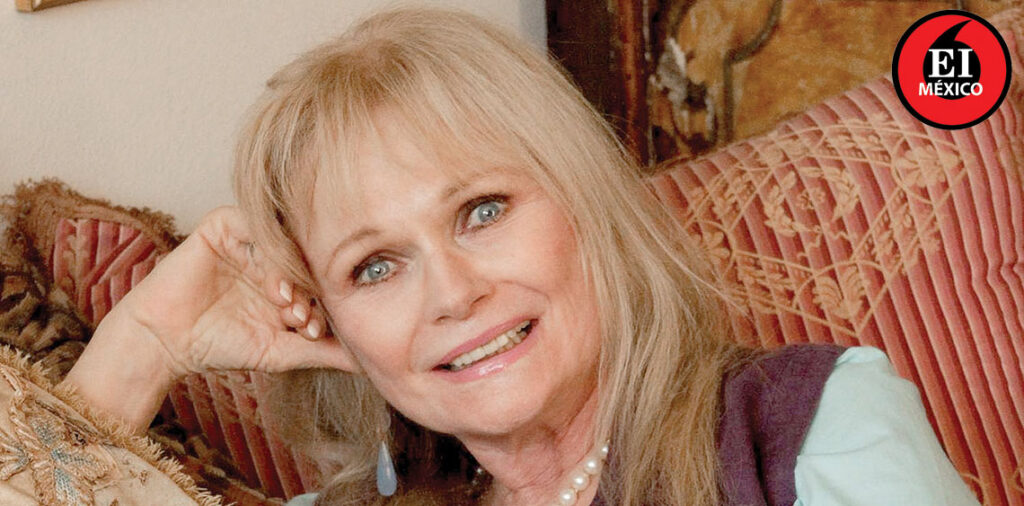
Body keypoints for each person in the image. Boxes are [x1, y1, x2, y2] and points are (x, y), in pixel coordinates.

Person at [0, 6, 980, 506]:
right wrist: (149, 341)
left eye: (481, 210)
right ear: (330, 322)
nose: (453, 293)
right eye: (374, 266)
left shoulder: (808, 427)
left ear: (587, 205)